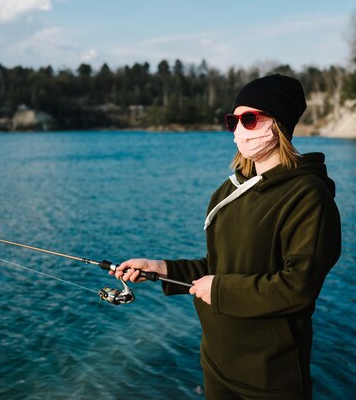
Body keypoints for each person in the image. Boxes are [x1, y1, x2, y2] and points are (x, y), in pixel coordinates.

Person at [112, 74, 341, 400]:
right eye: (232, 121)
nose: (238, 130)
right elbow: (218, 266)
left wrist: (218, 289)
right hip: (217, 366)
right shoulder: (228, 192)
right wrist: (161, 268)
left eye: (249, 120)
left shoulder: (308, 196)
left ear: (278, 125)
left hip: (270, 378)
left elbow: (298, 287)